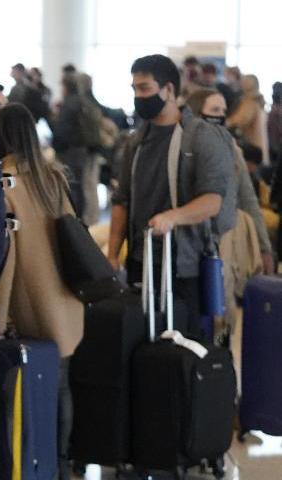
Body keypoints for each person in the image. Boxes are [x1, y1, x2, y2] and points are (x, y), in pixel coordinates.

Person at [0, 103, 84, 480]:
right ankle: (60, 471)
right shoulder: (52, 177)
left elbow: (5, 259)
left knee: (34, 393)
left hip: (31, 304)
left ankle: (37, 472)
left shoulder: (5, 183)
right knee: (61, 387)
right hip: (65, 299)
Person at [108, 54, 236, 339]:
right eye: (134, 89)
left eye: (144, 88)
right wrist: (113, 254)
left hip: (186, 265)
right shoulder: (136, 142)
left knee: (182, 344)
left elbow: (213, 201)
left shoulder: (202, 137)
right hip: (142, 261)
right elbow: (122, 200)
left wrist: (172, 217)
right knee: (144, 342)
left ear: (168, 90)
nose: (138, 96)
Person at [185, 87, 274, 274]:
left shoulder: (231, 150)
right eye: (215, 111)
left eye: (223, 112)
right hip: (188, 242)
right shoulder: (182, 147)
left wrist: (264, 247)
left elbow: (248, 198)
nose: (221, 117)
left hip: (226, 240)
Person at [52, 74, 97, 226]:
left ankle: (74, 218)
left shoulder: (69, 103)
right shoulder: (82, 101)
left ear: (66, 87)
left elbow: (62, 130)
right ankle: (80, 218)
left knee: (72, 185)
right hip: (81, 149)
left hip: (70, 151)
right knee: (79, 184)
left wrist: (57, 145)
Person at [228, 74, 270, 168]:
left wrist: (225, 122)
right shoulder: (259, 100)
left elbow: (240, 119)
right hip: (261, 145)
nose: (241, 83)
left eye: (244, 81)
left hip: (252, 147)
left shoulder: (250, 102)